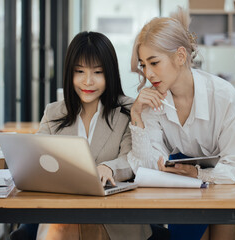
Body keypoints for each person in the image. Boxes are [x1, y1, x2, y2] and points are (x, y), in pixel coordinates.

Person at [127, 7, 235, 240]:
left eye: (154, 62)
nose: (148, 74)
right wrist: (137, 115)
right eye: (143, 65)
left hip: (229, 171)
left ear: (181, 56)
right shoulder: (154, 99)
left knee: (222, 232)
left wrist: (199, 174)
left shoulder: (224, 97)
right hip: (182, 176)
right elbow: (146, 167)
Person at [35, 31, 152, 240]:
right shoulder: (53, 113)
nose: (88, 81)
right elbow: (35, 158)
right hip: (63, 213)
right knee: (64, 226)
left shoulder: (128, 109)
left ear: (110, 74)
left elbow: (134, 159)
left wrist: (109, 167)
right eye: (79, 71)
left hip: (114, 220)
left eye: (97, 72)